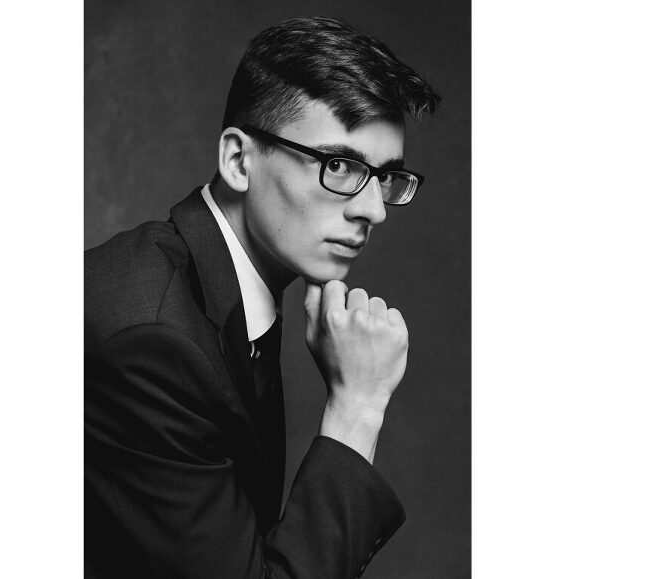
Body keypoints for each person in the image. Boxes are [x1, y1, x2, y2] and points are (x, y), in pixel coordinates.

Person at [85, 16, 440, 578]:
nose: (372, 209)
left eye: (386, 177)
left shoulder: (223, 288)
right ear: (238, 160)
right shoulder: (154, 343)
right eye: (340, 165)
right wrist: (357, 407)